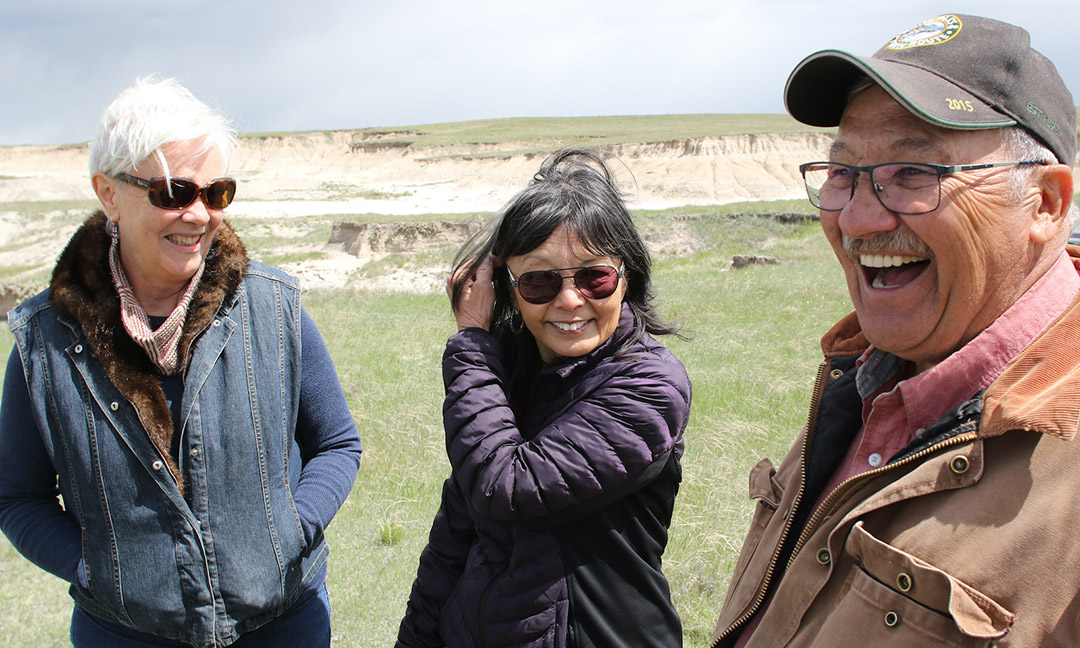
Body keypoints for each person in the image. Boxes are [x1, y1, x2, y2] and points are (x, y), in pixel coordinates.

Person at [710, 13, 1080, 647]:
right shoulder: (869, 376)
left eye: (914, 174)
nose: (856, 218)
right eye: (843, 173)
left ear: (1044, 203)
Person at [0, 77, 363, 647]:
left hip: (283, 626)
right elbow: (18, 496)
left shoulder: (272, 308)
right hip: (124, 635)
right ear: (108, 193)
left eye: (215, 193)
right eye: (172, 192)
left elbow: (337, 443)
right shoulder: (45, 340)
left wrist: (290, 532)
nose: (197, 214)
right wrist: (97, 570)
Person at [395, 148, 692, 648]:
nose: (570, 300)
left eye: (594, 276)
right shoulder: (507, 376)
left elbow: (505, 487)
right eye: (538, 281)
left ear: (627, 278)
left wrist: (470, 343)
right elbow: (454, 538)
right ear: (507, 289)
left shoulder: (649, 387)